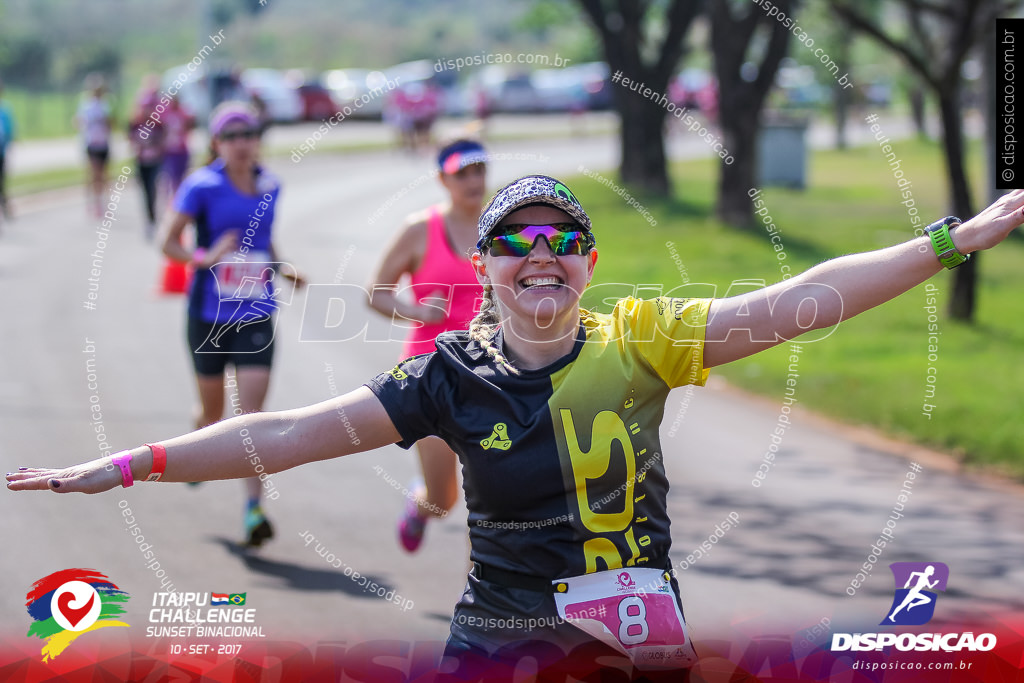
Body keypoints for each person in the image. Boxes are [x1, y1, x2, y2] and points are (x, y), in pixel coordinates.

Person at [8, 176, 1024, 678]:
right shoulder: (445, 375)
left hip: (636, 647)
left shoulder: (645, 339)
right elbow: (281, 435)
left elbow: (803, 295)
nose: (542, 255)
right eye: (515, 243)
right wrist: (130, 461)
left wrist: (945, 242)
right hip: (498, 644)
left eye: (563, 241)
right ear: (483, 267)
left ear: (586, 262)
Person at [159, 101, 304, 547]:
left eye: (249, 134)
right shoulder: (201, 186)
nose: (243, 143)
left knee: (252, 418)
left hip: (257, 312)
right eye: (233, 135)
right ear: (217, 142)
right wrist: (203, 258)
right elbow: (168, 243)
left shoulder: (271, 185)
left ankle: (253, 508)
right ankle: (197, 439)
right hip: (208, 314)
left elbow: (261, 239)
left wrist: (283, 266)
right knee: (212, 414)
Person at [367, 138, 488, 552]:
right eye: (462, 174)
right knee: (444, 500)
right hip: (430, 372)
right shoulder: (419, 229)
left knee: (492, 499)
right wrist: (417, 312)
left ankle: (482, 606)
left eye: (479, 170)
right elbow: (376, 293)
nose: (473, 181)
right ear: (442, 179)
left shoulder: (503, 228)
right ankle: (420, 508)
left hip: (492, 370)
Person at [128, 77, 166, 239]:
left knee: (154, 189)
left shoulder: (157, 125)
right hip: (141, 161)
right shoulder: (135, 124)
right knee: (145, 192)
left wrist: (154, 145)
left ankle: (156, 218)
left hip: (155, 160)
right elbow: (130, 138)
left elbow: (163, 139)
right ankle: (149, 219)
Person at [74, 73, 113, 219]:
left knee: (104, 175)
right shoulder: (85, 104)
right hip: (91, 143)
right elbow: (78, 122)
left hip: (103, 143)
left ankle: (102, 201)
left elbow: (111, 124)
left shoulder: (106, 104)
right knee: (92, 174)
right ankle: (92, 202)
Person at [160, 95, 195, 199]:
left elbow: (190, 126)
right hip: (169, 150)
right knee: (170, 177)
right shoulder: (165, 114)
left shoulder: (183, 112)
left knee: (181, 176)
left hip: (182, 149)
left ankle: (179, 198)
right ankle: (171, 199)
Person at [0, 77, 14, 220]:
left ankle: (6, 207)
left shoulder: (4, 110)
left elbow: (9, 132)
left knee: (2, 182)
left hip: (1, 152)